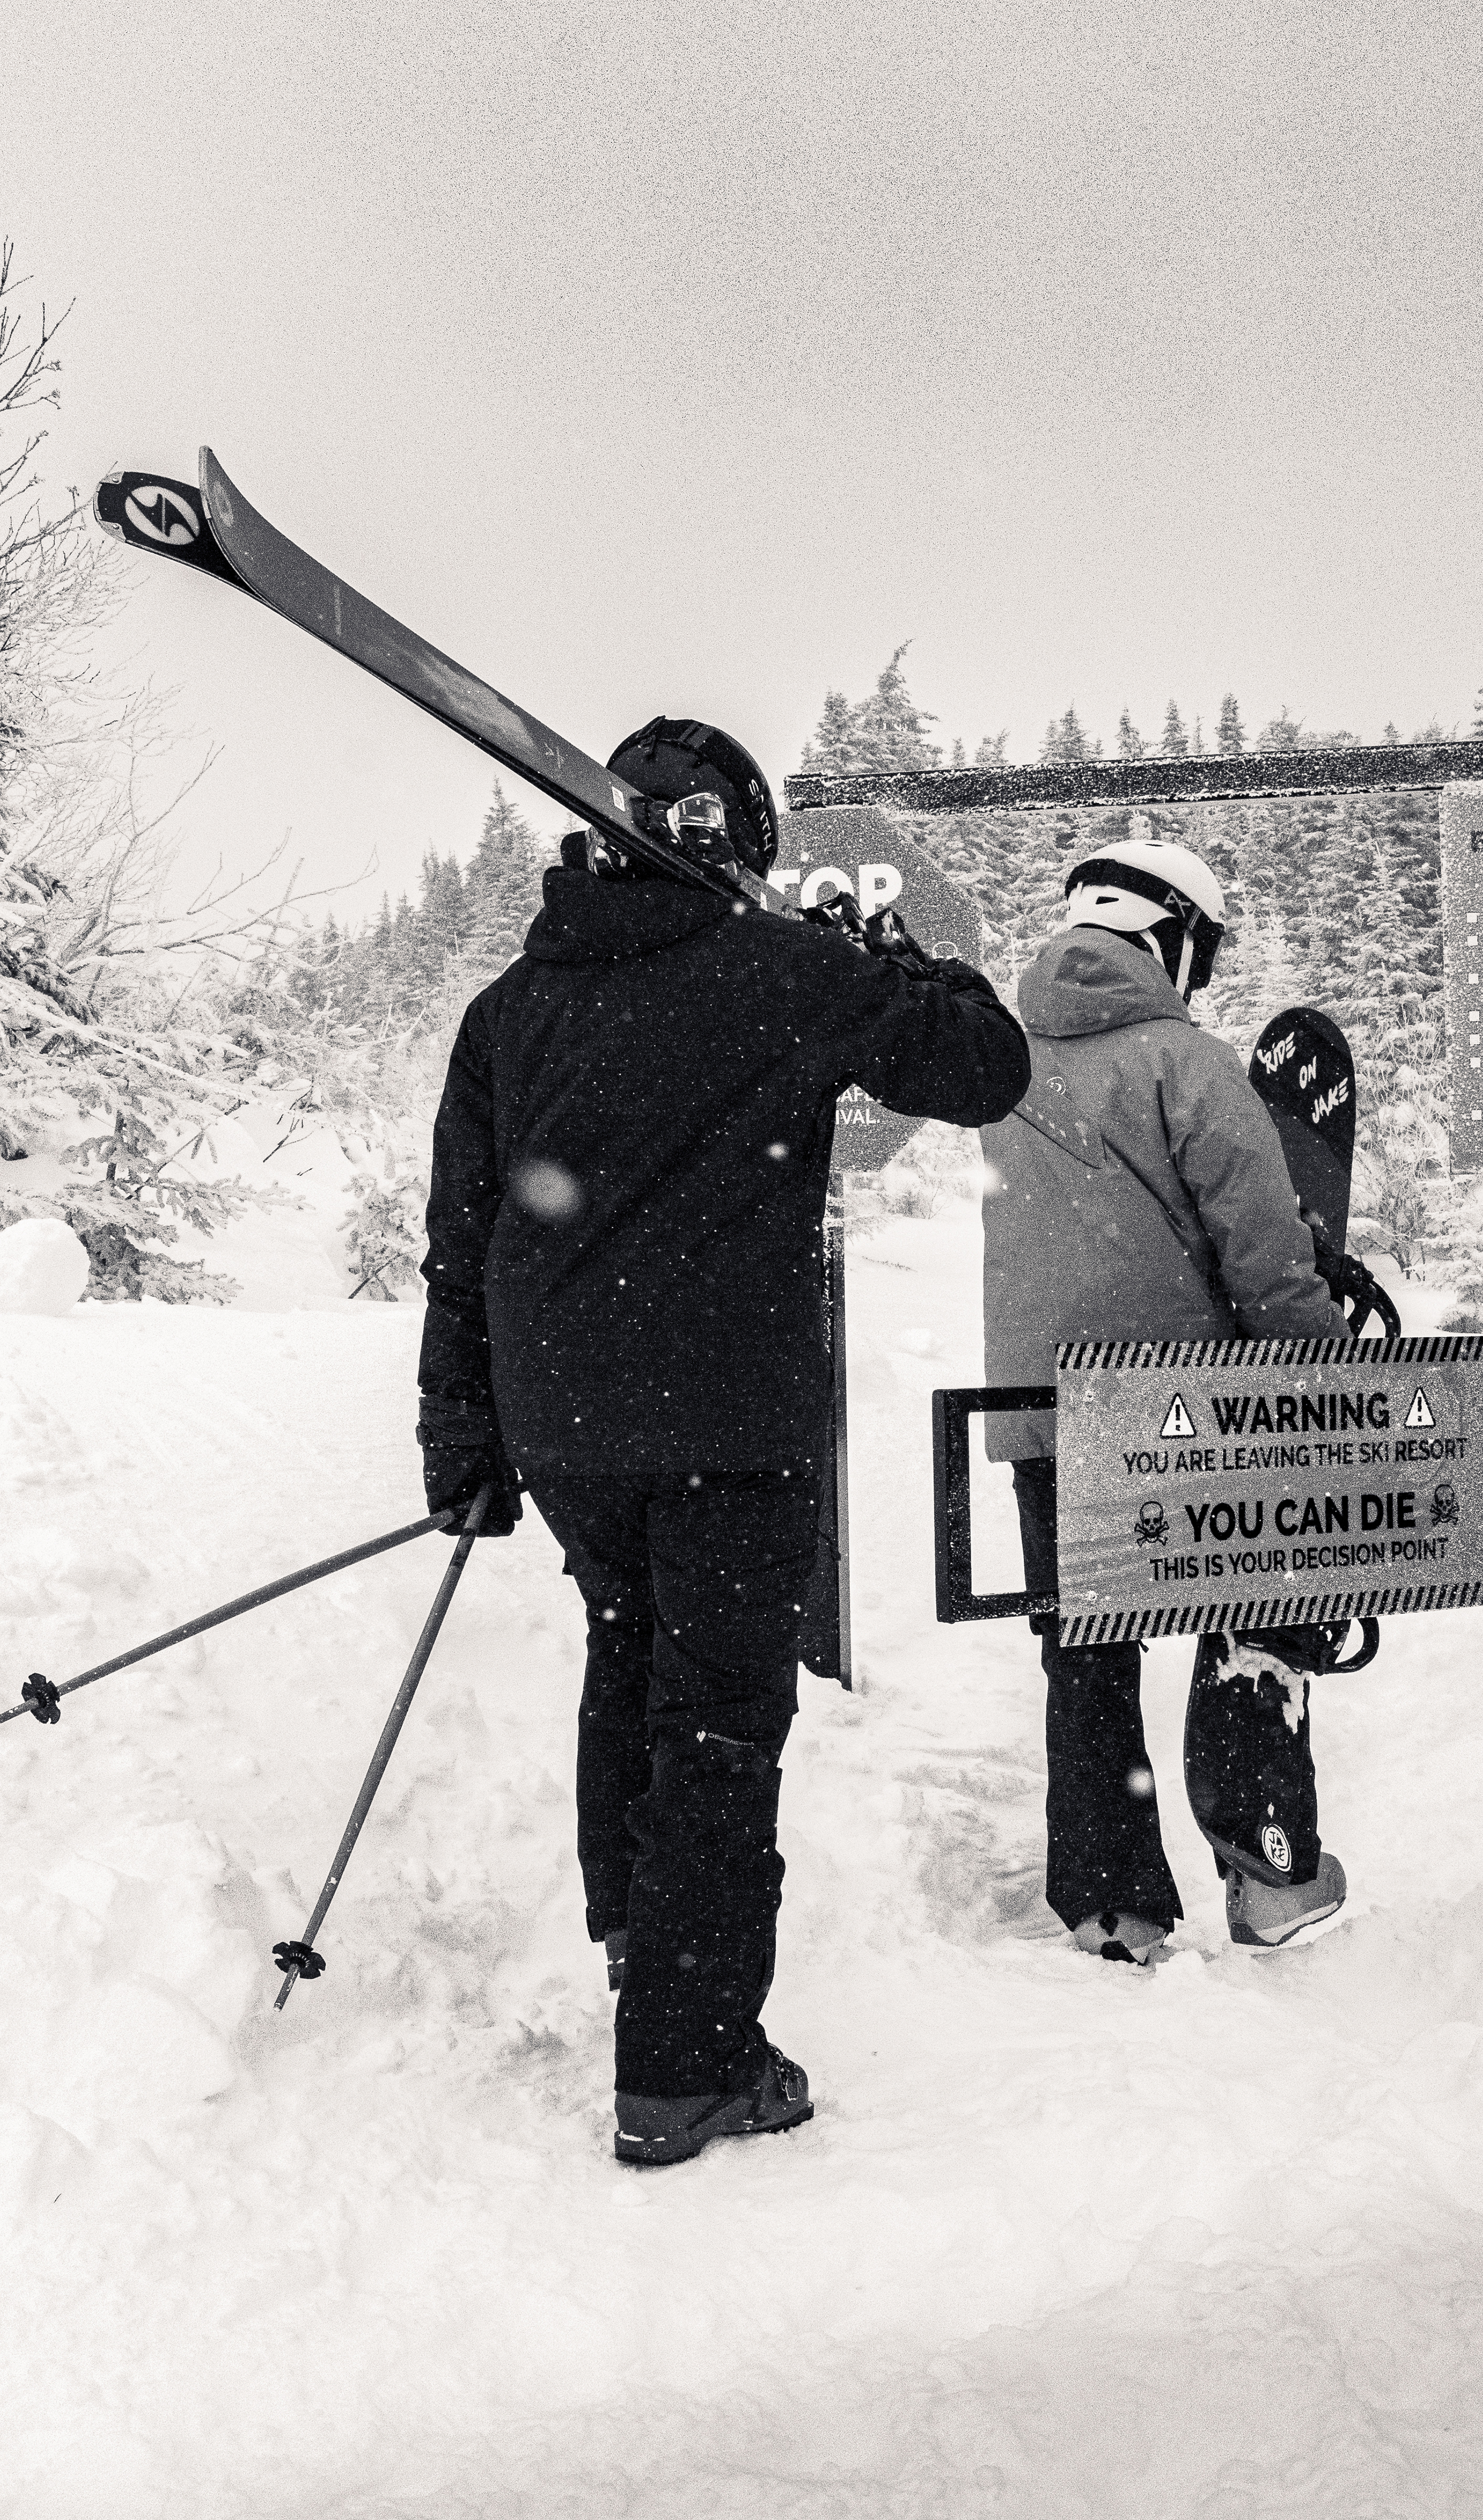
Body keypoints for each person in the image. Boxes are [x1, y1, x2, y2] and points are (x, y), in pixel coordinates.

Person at [416, 717, 1029, 2166]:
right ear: (736, 847)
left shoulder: (514, 1010)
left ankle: (643, 1942)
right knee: (714, 1720)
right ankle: (687, 2066)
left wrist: (467, 1435)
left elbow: (459, 1241)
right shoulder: (788, 975)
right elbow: (983, 1066)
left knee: (627, 1651)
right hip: (727, 1425)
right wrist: (882, 954)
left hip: (567, 1425)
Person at [981, 832, 1351, 1966]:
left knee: (1086, 1653)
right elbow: (1264, 1254)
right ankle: (1264, 1868)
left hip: (1047, 1416)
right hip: (1185, 1415)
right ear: (1172, 939)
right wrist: (1323, 1371)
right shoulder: (1187, 1065)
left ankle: (1111, 1902)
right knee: (1261, 1602)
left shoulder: (1001, 1058)